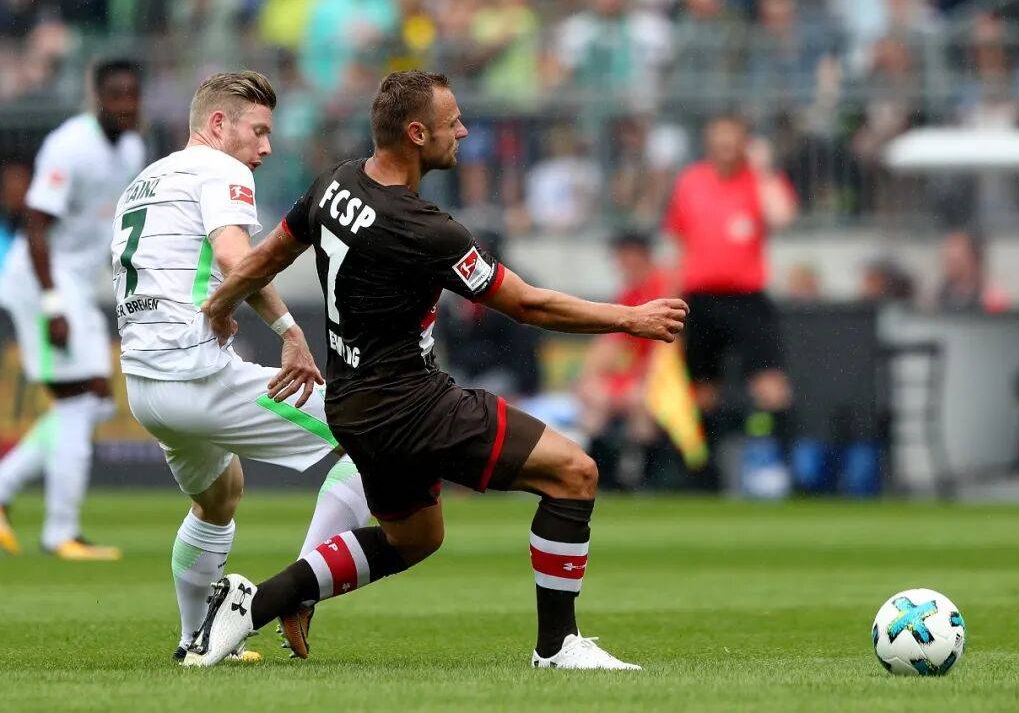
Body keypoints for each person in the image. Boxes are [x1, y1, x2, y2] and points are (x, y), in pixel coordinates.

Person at [186, 70, 687, 670]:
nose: (464, 132)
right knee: (573, 473)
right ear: (417, 133)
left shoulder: (333, 185)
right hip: (411, 403)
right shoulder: (425, 229)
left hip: (355, 406)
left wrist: (218, 305)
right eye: (453, 124)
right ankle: (558, 647)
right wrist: (629, 318)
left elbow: (264, 259)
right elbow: (528, 304)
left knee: (415, 539)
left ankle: (257, 602)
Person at [111, 71, 370, 663]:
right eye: (258, 131)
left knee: (220, 495)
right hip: (194, 374)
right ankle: (298, 591)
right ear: (219, 125)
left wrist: (215, 308)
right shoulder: (221, 170)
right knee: (376, 430)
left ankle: (194, 641)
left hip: (146, 388)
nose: (267, 147)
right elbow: (236, 258)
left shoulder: (144, 181)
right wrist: (290, 332)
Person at [0, 60, 145, 560]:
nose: (125, 105)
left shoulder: (132, 149)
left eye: (132, 96)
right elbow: (36, 226)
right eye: (116, 96)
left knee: (93, 401)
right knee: (80, 403)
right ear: (96, 97)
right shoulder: (70, 144)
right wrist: (53, 303)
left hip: (76, 285)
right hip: (41, 281)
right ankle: (60, 532)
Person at [665, 114, 798, 490]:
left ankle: (785, 471)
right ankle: (705, 476)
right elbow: (679, 242)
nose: (724, 150)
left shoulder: (758, 181)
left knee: (770, 385)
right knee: (703, 391)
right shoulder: (691, 182)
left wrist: (765, 169)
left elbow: (782, 216)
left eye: (731, 142)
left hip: (746, 299)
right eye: (718, 142)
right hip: (701, 300)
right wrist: (673, 299)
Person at [577, 233, 670, 488]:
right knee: (596, 397)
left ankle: (643, 478)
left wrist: (642, 378)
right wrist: (588, 377)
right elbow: (610, 344)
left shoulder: (664, 287)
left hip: (666, 376)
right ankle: (599, 476)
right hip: (635, 373)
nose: (620, 262)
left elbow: (667, 351)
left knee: (639, 399)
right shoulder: (629, 293)